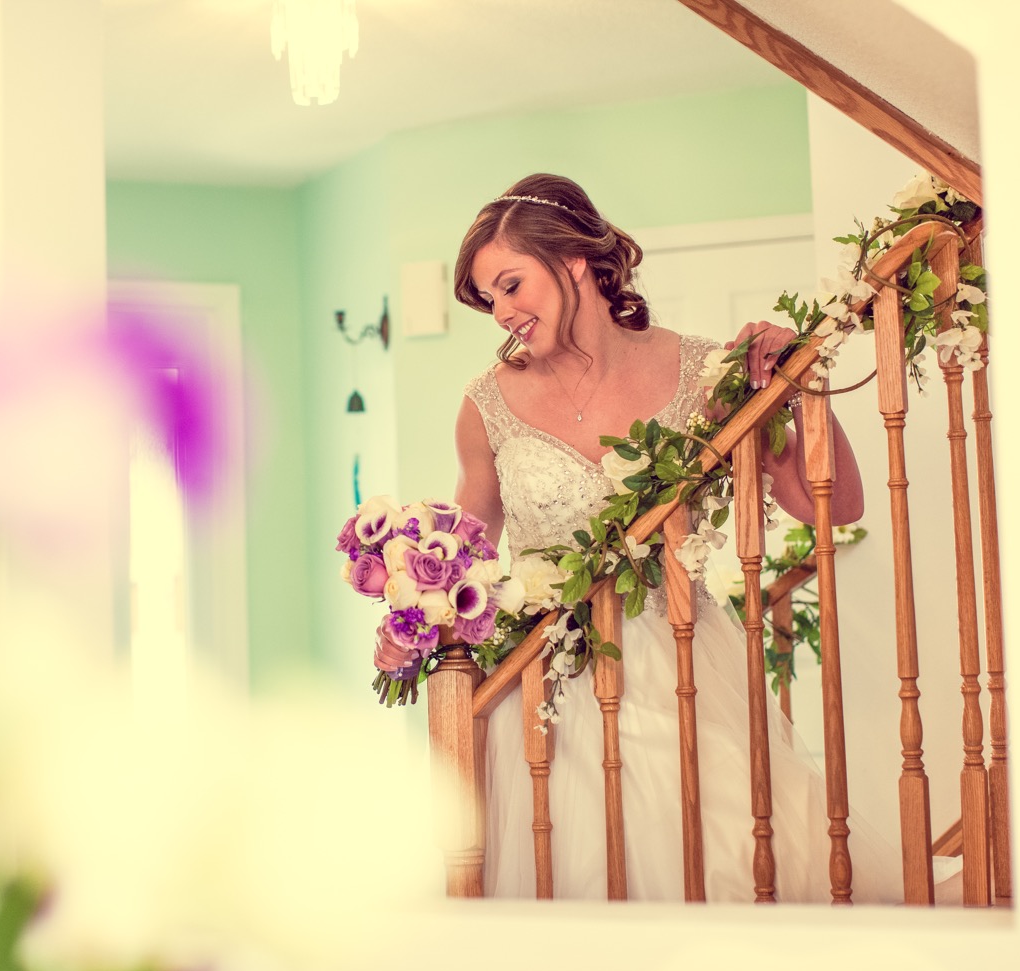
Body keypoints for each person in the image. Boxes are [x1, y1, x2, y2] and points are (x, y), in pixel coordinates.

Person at [381, 173, 903, 902]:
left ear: (574, 261)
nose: (500, 312)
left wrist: (794, 383)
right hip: (543, 680)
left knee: (731, 855)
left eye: (511, 285)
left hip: (680, 657)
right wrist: (410, 611)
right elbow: (464, 553)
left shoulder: (703, 372)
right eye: (488, 298)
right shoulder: (486, 405)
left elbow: (836, 508)